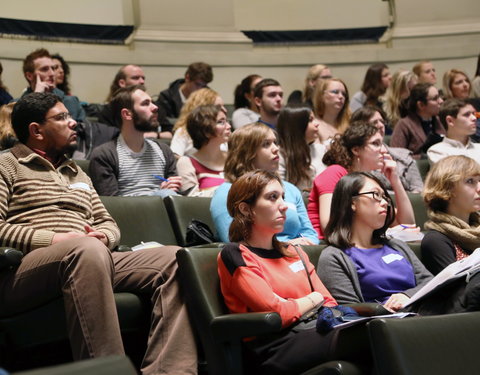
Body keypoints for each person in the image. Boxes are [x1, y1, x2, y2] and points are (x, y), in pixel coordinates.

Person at [0, 92, 197, 375]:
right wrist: (56, 240)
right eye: (61, 118)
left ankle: (170, 371)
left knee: (176, 259)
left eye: (70, 117)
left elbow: (108, 222)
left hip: (90, 257)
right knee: (86, 251)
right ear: (36, 130)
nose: (74, 124)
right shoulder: (6, 165)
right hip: (23, 269)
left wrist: (105, 237)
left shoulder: (76, 173)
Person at [218, 170, 342, 374]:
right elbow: (276, 313)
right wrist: (313, 298)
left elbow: (329, 301)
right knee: (371, 335)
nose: (284, 206)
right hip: (273, 347)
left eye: (282, 197)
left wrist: (295, 303)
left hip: (312, 331)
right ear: (246, 209)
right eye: (272, 197)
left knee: (377, 331)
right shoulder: (235, 254)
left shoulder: (295, 252)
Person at [317, 172, 433, 309]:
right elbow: (351, 311)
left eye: (384, 197)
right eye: (375, 195)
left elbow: (430, 281)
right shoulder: (334, 257)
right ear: (352, 202)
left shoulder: (396, 245)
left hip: (424, 311)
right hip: (387, 323)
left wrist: (407, 295)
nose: (384, 202)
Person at [210, 123, 319, 245]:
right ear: (246, 153)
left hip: (299, 256)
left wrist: (304, 245)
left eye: (275, 142)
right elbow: (234, 240)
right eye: (266, 144)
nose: (276, 148)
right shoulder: (226, 192)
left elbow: (310, 233)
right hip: (257, 260)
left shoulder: (290, 189)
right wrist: (288, 246)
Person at [307, 122, 415, 239]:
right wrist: (386, 234)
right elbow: (329, 226)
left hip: (359, 245)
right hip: (328, 247)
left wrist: (395, 181)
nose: (384, 150)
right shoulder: (334, 173)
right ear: (356, 150)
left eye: (382, 143)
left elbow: (407, 225)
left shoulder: (370, 182)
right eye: (375, 143)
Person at [89, 85, 181, 197]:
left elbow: (176, 196)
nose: (155, 107)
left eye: (152, 102)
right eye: (145, 104)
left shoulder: (164, 150)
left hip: (167, 209)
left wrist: (172, 187)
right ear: (127, 114)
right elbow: (111, 205)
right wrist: (158, 197)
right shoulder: (104, 155)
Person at [421, 155, 480, 275]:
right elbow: (458, 291)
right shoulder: (435, 241)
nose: (479, 188)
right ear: (447, 189)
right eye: (470, 181)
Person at [351, 106, 423, 193]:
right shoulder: (355, 162)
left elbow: (419, 190)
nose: (381, 125)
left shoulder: (404, 156)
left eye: (382, 121)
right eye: (374, 122)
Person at [176, 105, 230, 196]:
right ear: (206, 131)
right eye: (221, 122)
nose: (228, 126)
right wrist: (231, 189)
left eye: (227, 121)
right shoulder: (186, 163)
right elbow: (191, 199)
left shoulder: (233, 158)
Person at [20, 48, 85, 122]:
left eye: (53, 68)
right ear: (29, 76)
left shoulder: (71, 102)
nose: (52, 74)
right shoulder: (16, 105)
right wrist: (36, 96)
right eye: (44, 69)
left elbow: (79, 132)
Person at [277, 105, 326, 194]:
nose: (317, 123)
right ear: (297, 126)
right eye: (310, 120)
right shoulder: (280, 155)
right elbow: (280, 190)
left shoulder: (321, 149)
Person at [390, 83, 446, 159]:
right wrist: (422, 157)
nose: (441, 101)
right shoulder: (404, 125)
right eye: (435, 98)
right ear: (421, 105)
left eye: (439, 96)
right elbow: (396, 156)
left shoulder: (439, 121)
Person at [170, 88, 226, 157]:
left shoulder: (224, 131)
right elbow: (174, 157)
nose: (225, 110)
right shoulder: (184, 132)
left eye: (223, 106)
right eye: (218, 107)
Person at [427, 99, 480, 164]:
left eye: (473, 114)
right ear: (450, 121)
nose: (474, 118)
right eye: (467, 115)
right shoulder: (437, 151)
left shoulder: (478, 148)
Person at [312, 78, 351, 144]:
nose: (341, 96)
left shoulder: (350, 124)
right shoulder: (314, 125)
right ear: (322, 96)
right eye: (335, 92)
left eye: (344, 94)